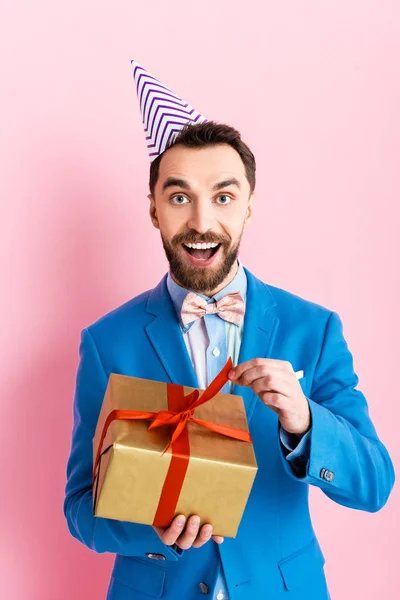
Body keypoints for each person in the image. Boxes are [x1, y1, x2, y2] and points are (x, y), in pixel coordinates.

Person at [63, 61, 395, 600]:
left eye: (222, 196)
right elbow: (80, 508)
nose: (200, 221)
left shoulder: (314, 328)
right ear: (153, 209)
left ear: (248, 207)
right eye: (178, 197)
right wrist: (153, 530)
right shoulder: (107, 343)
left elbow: (374, 485)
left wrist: (306, 421)